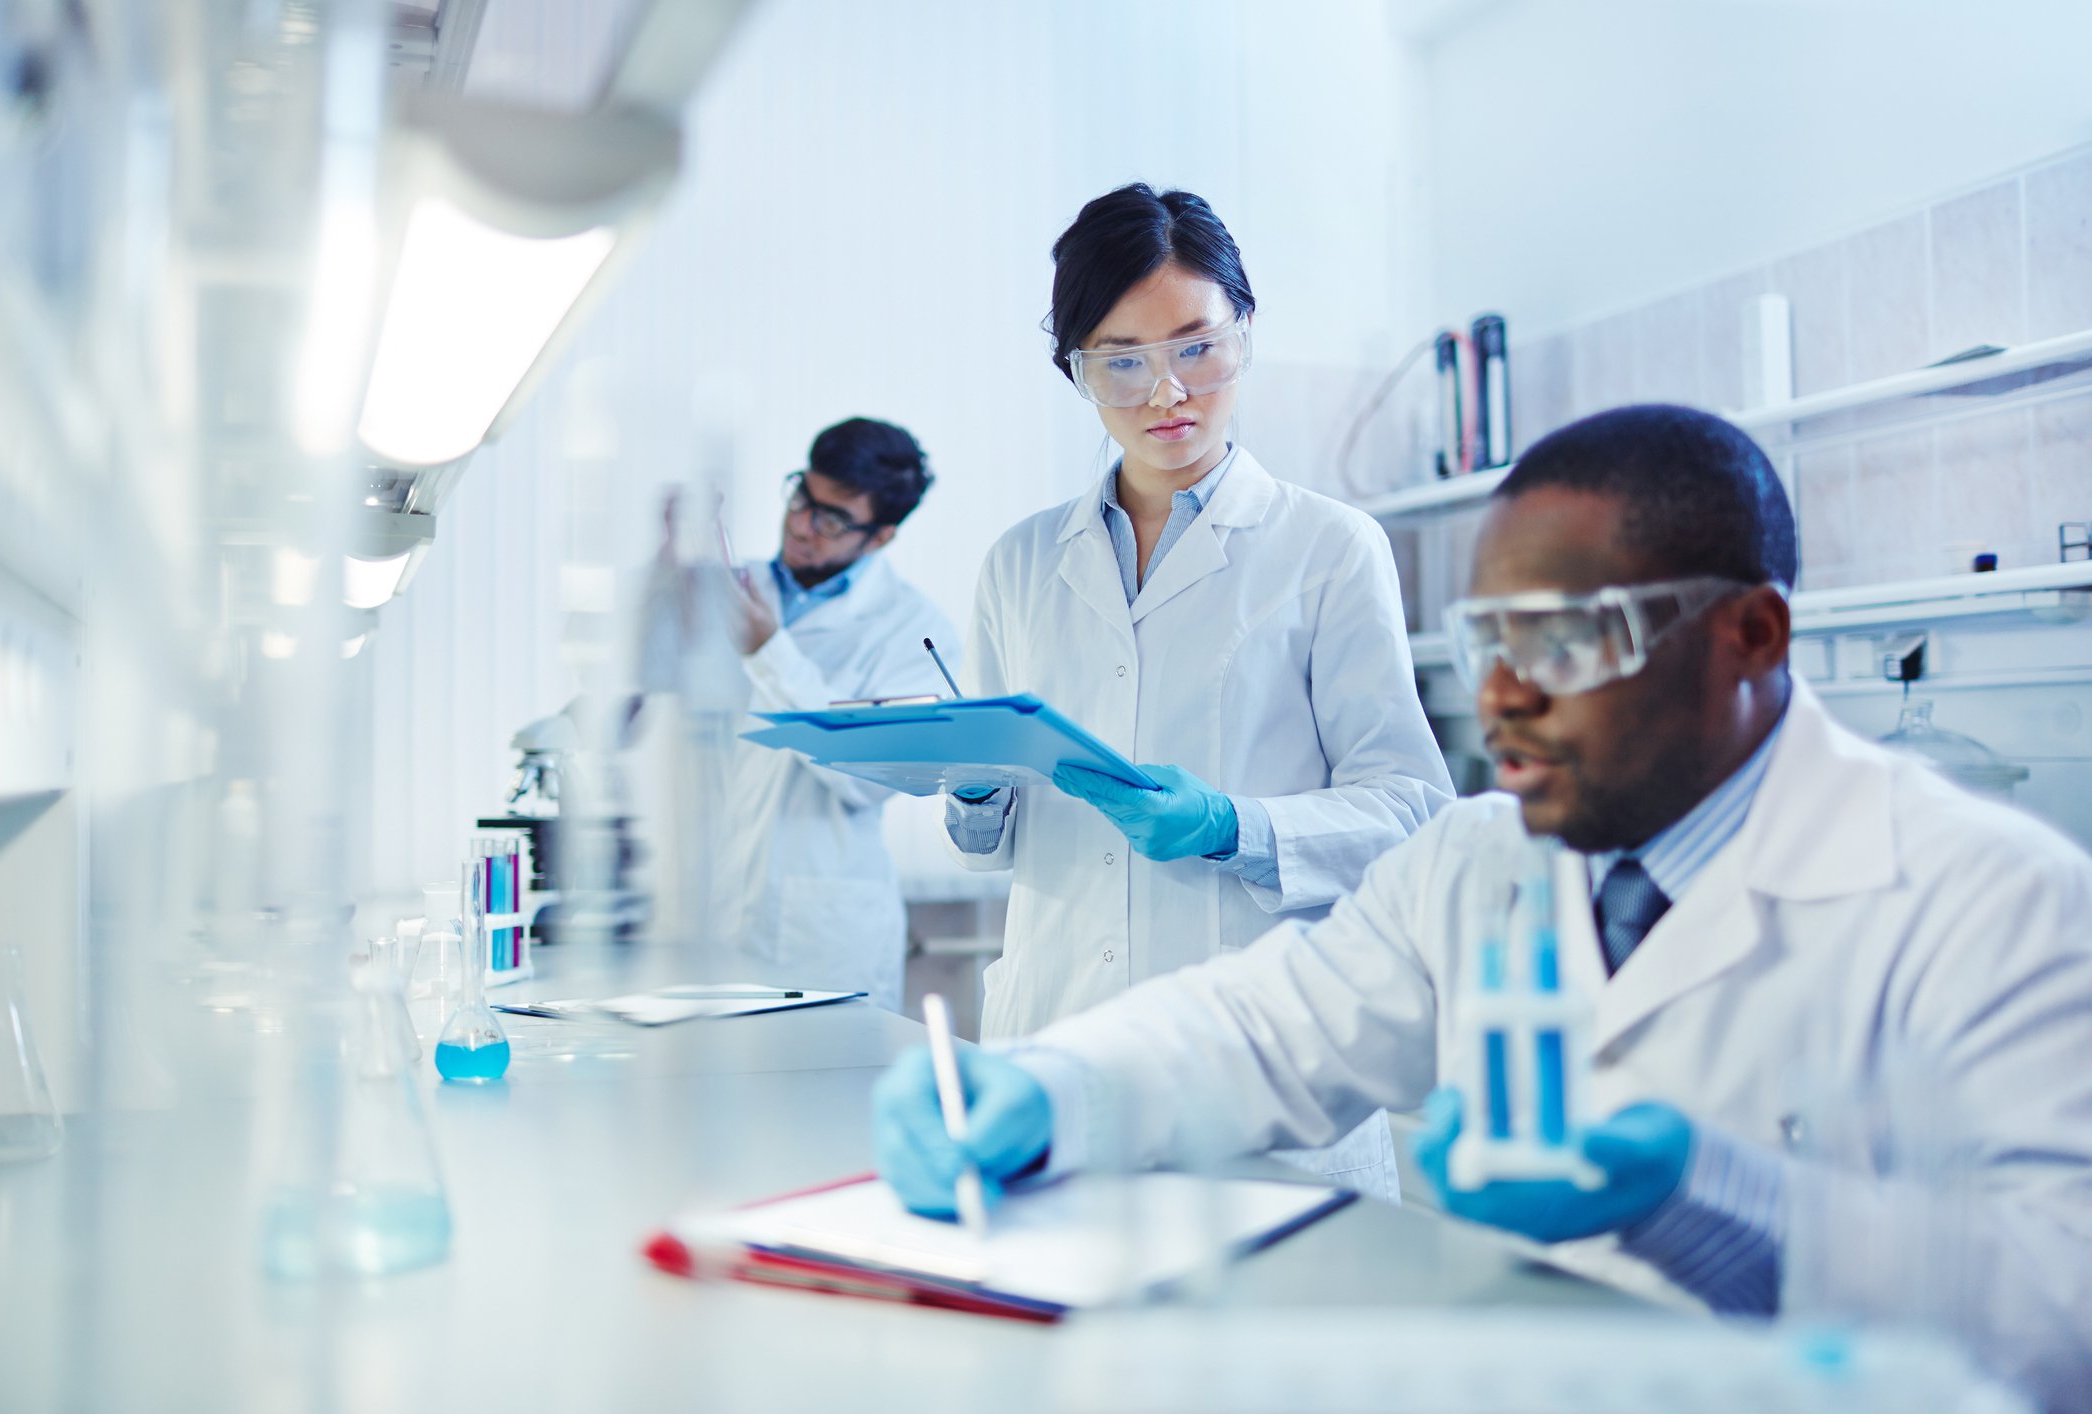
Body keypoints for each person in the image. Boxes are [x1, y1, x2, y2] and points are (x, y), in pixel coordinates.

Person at [876, 404, 2092, 1411]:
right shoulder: (1479, 858)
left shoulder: (1990, 899)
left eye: (1561, 639)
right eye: (1485, 639)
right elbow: (1259, 1026)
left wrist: (1718, 1204)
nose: (1502, 695)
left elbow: (2067, 1309)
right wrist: (1049, 1087)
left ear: (1751, 634)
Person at [944, 182, 1452, 1053]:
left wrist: (1231, 826)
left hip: (1255, 1041)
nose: (1165, 392)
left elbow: (1410, 811)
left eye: (1197, 348)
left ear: (1244, 335)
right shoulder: (1020, 562)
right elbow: (984, 843)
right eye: (1121, 359)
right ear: (1077, 372)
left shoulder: (1328, 546)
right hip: (1055, 1029)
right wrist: (973, 792)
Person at [640, 417, 959, 1012]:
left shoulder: (913, 632)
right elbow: (643, 683)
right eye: (801, 498)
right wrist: (666, 569)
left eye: (832, 518)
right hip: (701, 916)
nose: (801, 526)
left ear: (881, 536)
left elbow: (867, 778)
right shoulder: (736, 588)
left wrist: (768, 650)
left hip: (820, 939)